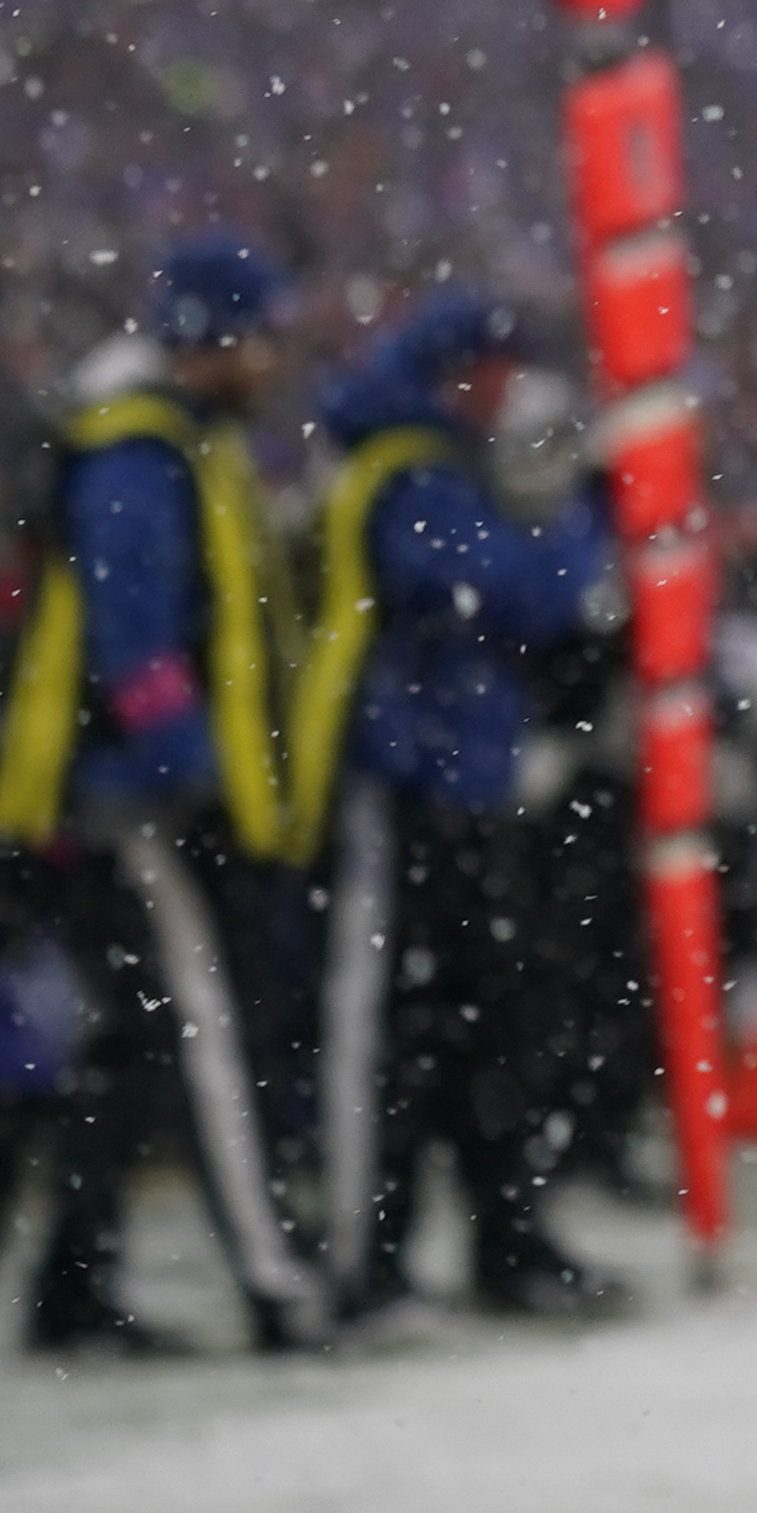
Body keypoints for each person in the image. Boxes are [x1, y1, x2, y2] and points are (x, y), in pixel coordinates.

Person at [0, 239, 332, 1357]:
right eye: (259, 333)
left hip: (131, 795)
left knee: (134, 1050)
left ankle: (70, 1292)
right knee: (201, 1040)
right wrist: (196, 773)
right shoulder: (141, 453)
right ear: (210, 338)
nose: (272, 355)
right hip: (136, 803)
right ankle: (275, 1286)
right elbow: (138, 641)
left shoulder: (178, 442)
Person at [292, 291, 622, 1321]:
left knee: (483, 1027)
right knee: (400, 1033)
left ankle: (498, 1240)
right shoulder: (406, 470)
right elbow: (511, 592)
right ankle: (373, 1258)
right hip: (405, 785)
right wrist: (573, 515)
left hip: (456, 779)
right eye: (485, 370)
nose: (498, 391)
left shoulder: (429, 462)